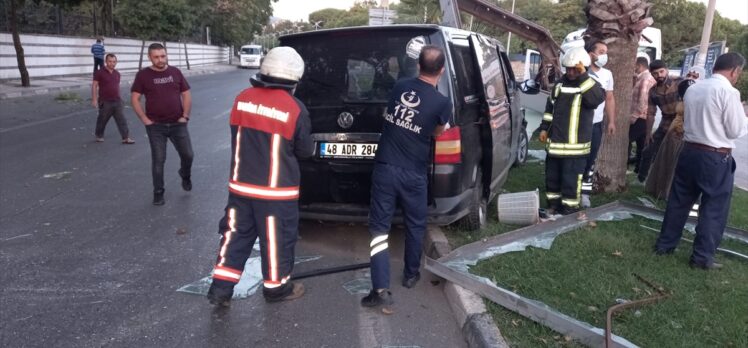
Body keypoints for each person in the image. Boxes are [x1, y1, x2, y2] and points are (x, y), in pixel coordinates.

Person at [206, 47, 313, 306]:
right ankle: (276, 289)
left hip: (240, 187)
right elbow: (305, 151)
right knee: (276, 240)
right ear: (294, 79)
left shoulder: (242, 98)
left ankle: (220, 289)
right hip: (276, 193)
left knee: (235, 236)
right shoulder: (295, 108)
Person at [361, 45, 452, 309]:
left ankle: (380, 289)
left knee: (379, 229)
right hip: (414, 173)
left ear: (418, 66)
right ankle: (411, 275)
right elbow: (436, 133)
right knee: (415, 224)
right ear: (442, 70)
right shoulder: (442, 103)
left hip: (386, 168)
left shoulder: (400, 87)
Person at [654, 53, 747, 270]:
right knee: (713, 207)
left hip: (689, 151)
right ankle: (702, 257)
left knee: (679, 201)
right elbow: (734, 129)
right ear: (735, 71)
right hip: (715, 155)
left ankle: (664, 245)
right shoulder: (729, 92)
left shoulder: (694, 88)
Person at [539, 46, 605, 215]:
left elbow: (595, 100)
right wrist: (544, 129)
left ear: (583, 68)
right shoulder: (559, 85)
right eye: (568, 69)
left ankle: (569, 208)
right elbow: (549, 108)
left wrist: (583, 76)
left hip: (575, 148)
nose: (570, 72)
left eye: (574, 69)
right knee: (552, 178)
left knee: (571, 180)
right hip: (555, 145)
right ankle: (554, 205)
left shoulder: (590, 85)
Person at [131, 43, 194, 206]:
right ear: (150, 58)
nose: (160, 60)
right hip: (156, 126)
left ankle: (185, 174)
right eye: (156, 57)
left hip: (177, 123)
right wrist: (145, 120)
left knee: (188, 155)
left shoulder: (175, 72)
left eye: (163, 56)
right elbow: (135, 99)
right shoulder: (143, 75)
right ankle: (158, 192)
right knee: (158, 160)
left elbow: (186, 94)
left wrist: (185, 116)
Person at [581, 40, 616, 208]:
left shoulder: (607, 74)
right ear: (591, 54)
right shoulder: (581, 71)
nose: (604, 55)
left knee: (590, 160)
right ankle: (570, 189)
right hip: (580, 124)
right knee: (576, 159)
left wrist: (611, 121)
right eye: (601, 51)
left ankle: (584, 193)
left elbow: (609, 98)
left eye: (605, 52)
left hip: (596, 124)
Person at [637, 60, 682, 183]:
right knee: (648, 149)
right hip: (666, 122)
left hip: (681, 122)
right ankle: (642, 179)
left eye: (661, 71)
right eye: (655, 73)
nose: (659, 75)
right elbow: (651, 113)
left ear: (666, 70)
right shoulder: (653, 91)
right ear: (651, 74)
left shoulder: (679, 83)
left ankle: (675, 183)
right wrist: (648, 134)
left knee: (678, 154)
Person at [91, 53, 134, 144]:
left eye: (114, 62)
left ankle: (125, 137)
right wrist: (94, 99)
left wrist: (120, 98)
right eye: (110, 61)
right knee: (102, 119)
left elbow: (116, 87)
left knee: (121, 119)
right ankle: (99, 135)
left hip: (117, 101)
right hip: (105, 101)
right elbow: (94, 85)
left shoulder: (117, 74)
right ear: (106, 62)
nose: (112, 63)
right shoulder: (99, 72)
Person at [628, 57, 656, 174]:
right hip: (643, 117)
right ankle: (639, 170)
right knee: (641, 144)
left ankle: (628, 166)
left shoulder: (645, 79)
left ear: (639, 66)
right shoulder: (642, 78)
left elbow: (643, 101)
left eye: (635, 66)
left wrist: (634, 116)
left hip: (640, 117)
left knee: (627, 140)